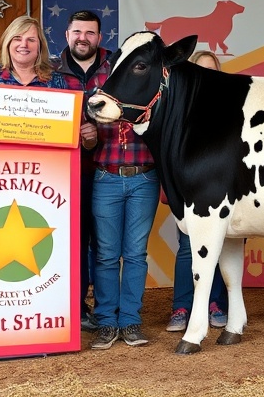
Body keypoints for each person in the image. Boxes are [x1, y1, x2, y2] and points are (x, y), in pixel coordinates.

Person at [87, 38, 160, 350]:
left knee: (135, 254)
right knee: (104, 254)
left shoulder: (154, 83)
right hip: (106, 176)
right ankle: (106, 321)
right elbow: (88, 136)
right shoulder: (98, 84)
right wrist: (88, 135)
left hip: (144, 177)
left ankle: (130, 319)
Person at [51, 10, 108, 332]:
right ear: (67, 34)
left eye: (89, 33)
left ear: (99, 38)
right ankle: (75, 307)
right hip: (63, 173)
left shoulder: (114, 66)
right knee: (70, 241)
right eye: (77, 32)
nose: (82, 38)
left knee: (103, 245)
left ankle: (104, 307)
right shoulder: (51, 71)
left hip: (106, 169)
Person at [167, 50, 229, 332]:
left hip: (222, 192)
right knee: (186, 248)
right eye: (200, 70)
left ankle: (216, 304)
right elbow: (168, 152)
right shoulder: (179, 110)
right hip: (189, 191)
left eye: (211, 71)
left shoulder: (231, 108)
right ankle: (181, 307)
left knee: (218, 248)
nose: (206, 76)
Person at [0, 15, 67, 89]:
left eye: (31, 40)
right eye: (17, 39)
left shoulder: (56, 81)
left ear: (40, 46)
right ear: (8, 44)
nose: (24, 45)